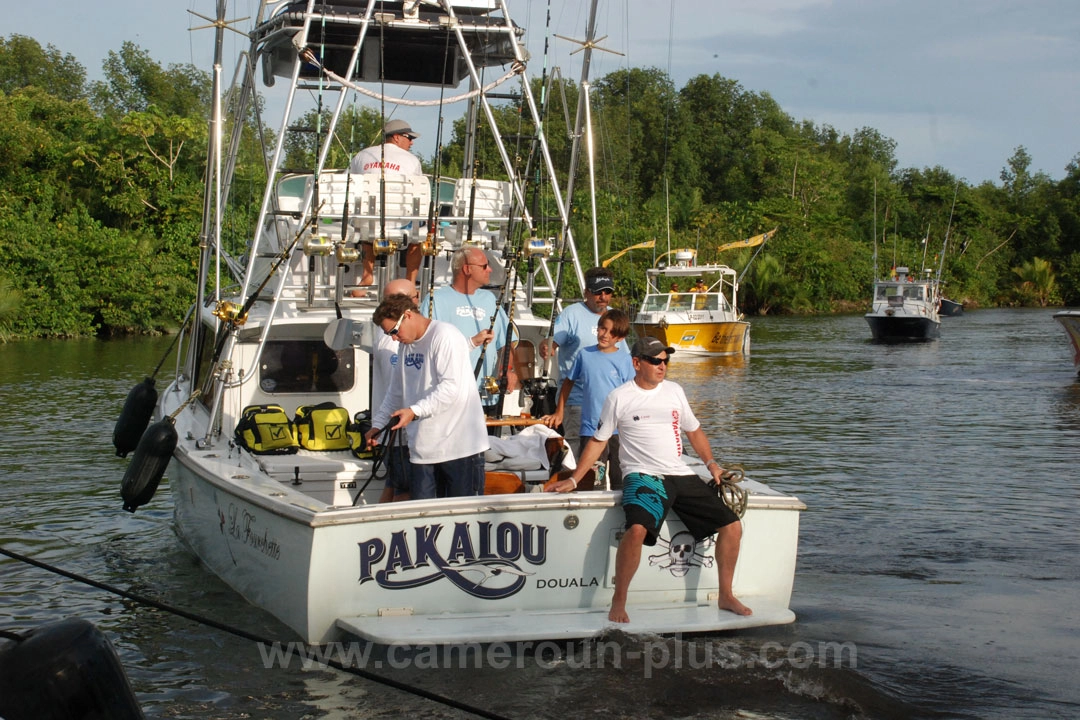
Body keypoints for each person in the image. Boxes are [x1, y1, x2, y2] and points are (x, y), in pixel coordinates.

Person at [546, 336, 751, 623]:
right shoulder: (619, 397)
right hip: (644, 475)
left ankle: (726, 595)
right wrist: (575, 478)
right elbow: (597, 440)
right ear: (637, 363)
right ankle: (619, 601)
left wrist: (713, 465)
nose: (662, 365)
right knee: (637, 529)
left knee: (732, 524)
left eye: (666, 360)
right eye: (655, 360)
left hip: (679, 472)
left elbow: (694, 431)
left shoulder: (675, 391)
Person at [365, 294, 488, 498]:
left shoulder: (445, 335)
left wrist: (414, 411)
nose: (394, 338)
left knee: (462, 520)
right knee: (425, 523)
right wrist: (377, 426)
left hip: (460, 450)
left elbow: (451, 388)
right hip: (423, 452)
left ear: (408, 315)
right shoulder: (405, 346)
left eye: (394, 331)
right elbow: (396, 392)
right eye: (389, 335)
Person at [542, 309, 634, 487]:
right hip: (591, 429)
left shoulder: (626, 360)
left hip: (619, 432)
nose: (605, 335)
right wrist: (559, 411)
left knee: (620, 480)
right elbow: (568, 383)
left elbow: (632, 394)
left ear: (620, 338)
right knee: (593, 481)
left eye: (611, 332)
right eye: (602, 329)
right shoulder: (584, 355)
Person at [538, 267, 627, 444]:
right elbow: (551, 343)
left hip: (610, 402)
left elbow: (625, 360)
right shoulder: (571, 314)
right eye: (597, 292)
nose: (603, 296)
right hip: (577, 399)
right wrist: (546, 347)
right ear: (586, 292)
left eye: (607, 292)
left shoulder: (614, 317)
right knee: (580, 449)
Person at [424, 246, 511, 410]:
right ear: (467, 269)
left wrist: (506, 370)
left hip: (486, 397)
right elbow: (427, 347)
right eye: (485, 266)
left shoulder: (490, 299)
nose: (490, 269)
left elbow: (507, 342)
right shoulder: (435, 300)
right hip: (449, 398)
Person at [351, 118, 425, 286]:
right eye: (409, 138)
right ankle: (410, 281)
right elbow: (419, 194)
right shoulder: (412, 160)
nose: (411, 143)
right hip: (400, 224)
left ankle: (367, 274)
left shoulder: (361, 156)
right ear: (397, 137)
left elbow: (353, 186)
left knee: (367, 223)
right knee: (420, 230)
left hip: (366, 223)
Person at [369, 278, 419, 503]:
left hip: (394, 434)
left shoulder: (386, 334)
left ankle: (373, 531)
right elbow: (400, 390)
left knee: (392, 489)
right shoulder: (393, 341)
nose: (419, 301)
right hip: (401, 435)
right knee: (404, 494)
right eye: (414, 298)